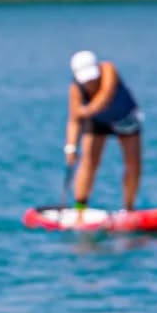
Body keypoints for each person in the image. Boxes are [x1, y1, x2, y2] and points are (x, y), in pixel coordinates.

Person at [66, 50, 142, 212]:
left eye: (93, 78)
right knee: (88, 161)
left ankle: (129, 208)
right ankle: (80, 208)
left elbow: (105, 97)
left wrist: (83, 112)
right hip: (97, 121)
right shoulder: (75, 88)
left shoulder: (109, 69)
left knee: (133, 163)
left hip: (124, 117)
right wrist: (71, 147)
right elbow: (73, 120)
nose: (90, 83)